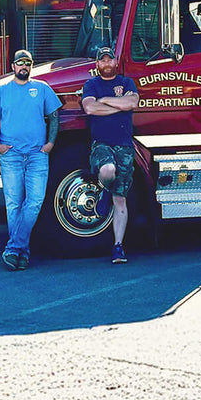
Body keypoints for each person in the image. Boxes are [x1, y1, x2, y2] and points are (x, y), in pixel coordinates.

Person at [0, 49, 62, 271]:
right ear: (13, 66)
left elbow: (55, 116)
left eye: (27, 63)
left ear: (31, 66)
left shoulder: (42, 88)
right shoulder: (1, 91)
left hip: (37, 154)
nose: (23, 67)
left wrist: (50, 143)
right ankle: (22, 252)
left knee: (34, 201)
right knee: (14, 204)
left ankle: (13, 248)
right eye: (20, 63)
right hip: (11, 156)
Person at [81, 46, 138, 264]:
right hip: (102, 143)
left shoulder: (127, 83)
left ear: (115, 62)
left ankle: (118, 246)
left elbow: (132, 102)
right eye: (102, 60)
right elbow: (90, 109)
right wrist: (119, 105)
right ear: (97, 65)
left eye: (109, 59)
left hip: (124, 145)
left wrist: (103, 100)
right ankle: (104, 188)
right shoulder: (91, 84)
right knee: (107, 170)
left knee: (120, 199)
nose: (106, 63)